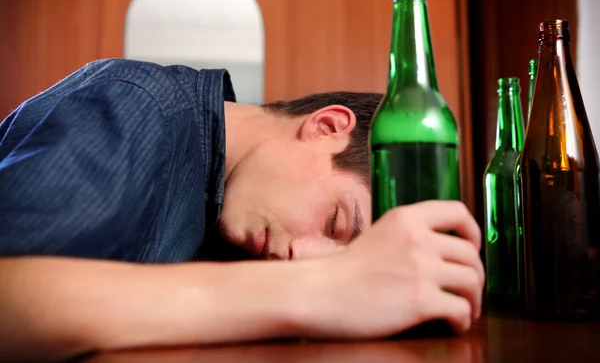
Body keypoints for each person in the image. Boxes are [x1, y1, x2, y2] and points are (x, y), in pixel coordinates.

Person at [0, 59, 484, 362]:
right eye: (336, 222)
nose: (302, 258)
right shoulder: (136, 104)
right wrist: (316, 291)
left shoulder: (223, 206)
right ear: (327, 126)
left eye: (333, 262)